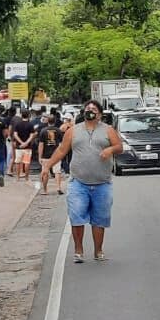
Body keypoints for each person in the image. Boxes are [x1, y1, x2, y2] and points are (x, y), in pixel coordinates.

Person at [42, 100, 123, 263]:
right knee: (77, 216)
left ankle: (98, 251)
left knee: (99, 219)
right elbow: (61, 150)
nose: (90, 111)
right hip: (78, 182)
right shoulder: (73, 131)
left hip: (102, 183)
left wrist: (110, 149)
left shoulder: (108, 130)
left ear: (99, 114)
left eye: (93, 109)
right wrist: (47, 166)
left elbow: (120, 147)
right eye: (87, 109)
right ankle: (78, 250)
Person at [38, 113, 66, 195]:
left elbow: (41, 145)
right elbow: (61, 144)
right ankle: (58, 187)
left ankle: (45, 190)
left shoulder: (43, 131)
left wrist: (40, 156)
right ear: (55, 121)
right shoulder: (58, 131)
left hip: (45, 155)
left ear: (47, 121)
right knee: (57, 171)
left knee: (45, 171)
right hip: (56, 154)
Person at [12, 110, 35, 182]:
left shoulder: (17, 124)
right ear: (28, 116)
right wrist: (26, 143)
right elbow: (31, 136)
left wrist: (21, 143)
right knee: (27, 162)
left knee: (18, 162)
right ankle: (26, 178)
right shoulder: (30, 125)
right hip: (27, 147)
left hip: (19, 147)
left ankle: (17, 178)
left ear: (21, 115)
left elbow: (15, 135)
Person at [4, 106, 17, 176]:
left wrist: (7, 137)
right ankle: (11, 168)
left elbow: (6, 129)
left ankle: (9, 168)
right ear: (15, 112)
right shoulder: (16, 119)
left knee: (9, 153)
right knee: (12, 154)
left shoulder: (6, 119)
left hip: (9, 138)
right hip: (14, 138)